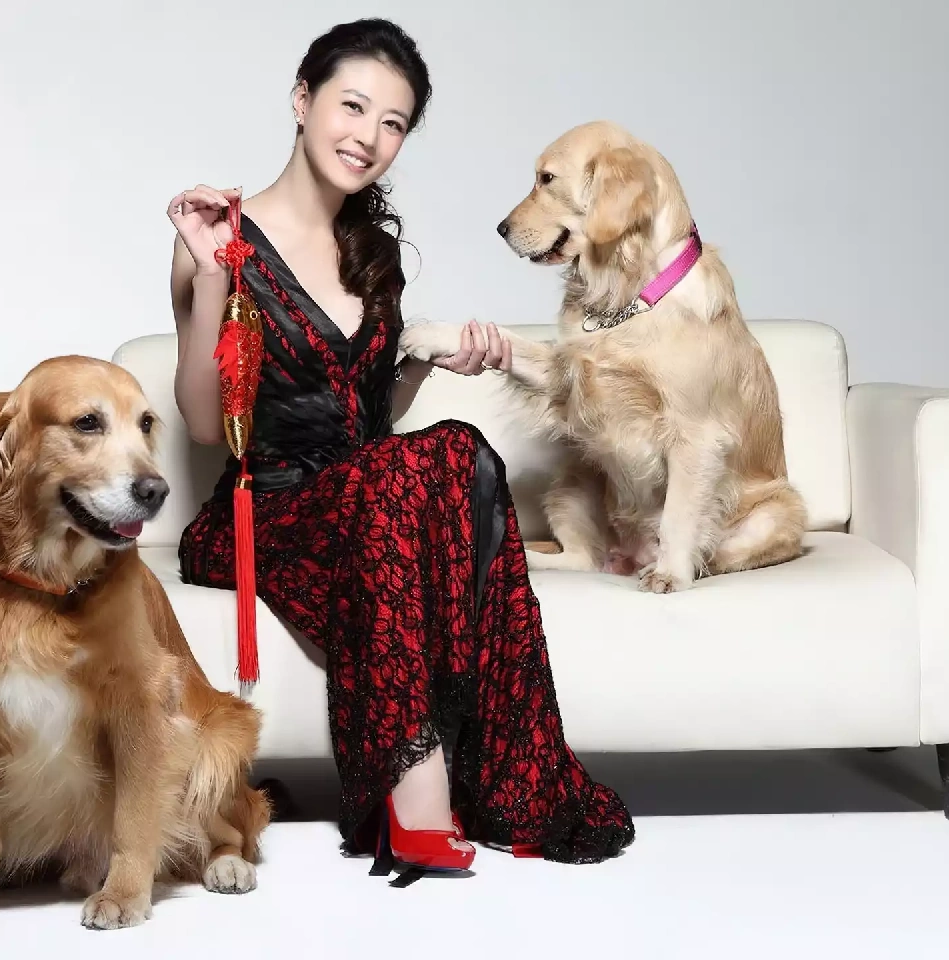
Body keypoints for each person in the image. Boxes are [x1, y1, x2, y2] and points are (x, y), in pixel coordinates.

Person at [167, 17, 633, 874]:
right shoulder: (216, 235)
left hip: (362, 500)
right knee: (418, 468)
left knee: (453, 446)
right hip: (265, 513)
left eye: (393, 123)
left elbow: (370, 422)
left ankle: (505, 782)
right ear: (302, 101)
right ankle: (415, 797)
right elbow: (202, 422)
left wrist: (424, 364)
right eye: (353, 107)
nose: (369, 137)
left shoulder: (373, 252)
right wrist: (210, 276)